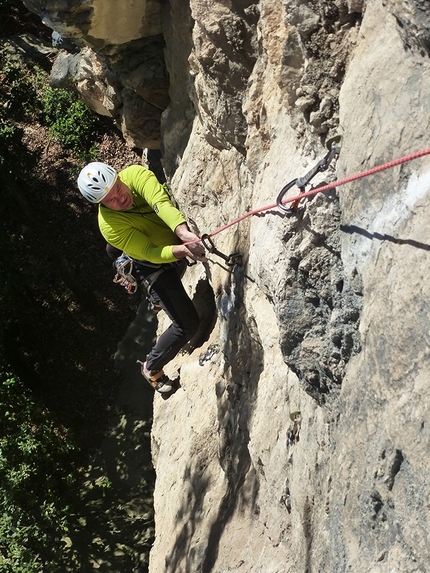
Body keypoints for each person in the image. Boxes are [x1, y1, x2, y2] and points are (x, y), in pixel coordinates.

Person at [77, 161, 206, 393]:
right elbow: (149, 252)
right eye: (110, 200)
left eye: (117, 188)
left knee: (175, 272)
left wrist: (182, 232)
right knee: (187, 324)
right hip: (149, 265)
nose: (119, 198)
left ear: (118, 176)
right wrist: (182, 250)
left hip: (171, 237)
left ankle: (159, 298)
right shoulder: (109, 225)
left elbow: (160, 203)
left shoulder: (136, 175)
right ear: (100, 204)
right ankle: (152, 365)